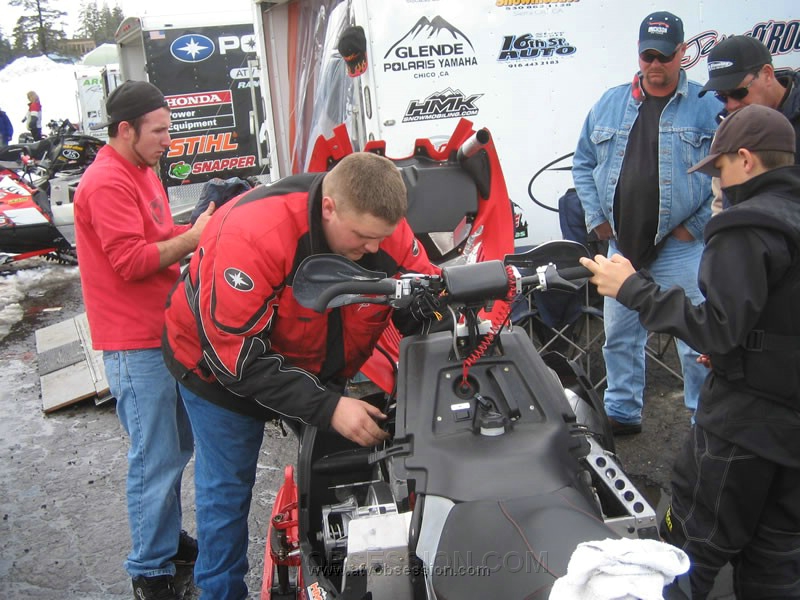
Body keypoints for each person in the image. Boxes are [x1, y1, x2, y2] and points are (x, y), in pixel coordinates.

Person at [162, 151, 442, 598]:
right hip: (216, 370)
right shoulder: (253, 234)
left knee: (344, 467)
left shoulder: (380, 230)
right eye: (363, 237)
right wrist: (328, 407)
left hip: (314, 359)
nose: (374, 249)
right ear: (329, 208)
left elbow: (426, 300)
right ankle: (220, 591)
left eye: (382, 237)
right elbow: (236, 359)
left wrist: (442, 323)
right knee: (227, 490)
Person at [579, 104, 800, 599]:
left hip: (744, 428)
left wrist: (632, 289)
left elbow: (718, 328)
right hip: (789, 429)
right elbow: (773, 321)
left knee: (683, 554)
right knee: (776, 560)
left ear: (746, 159)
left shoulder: (745, 225)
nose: (716, 184)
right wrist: (744, 353)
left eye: (719, 169)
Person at [74, 80, 214, 600]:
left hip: (164, 331)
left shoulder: (142, 170)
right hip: (135, 343)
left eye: (168, 130)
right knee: (154, 455)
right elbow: (131, 261)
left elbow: (155, 237)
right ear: (125, 130)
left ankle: (165, 539)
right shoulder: (106, 182)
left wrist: (196, 229)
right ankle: (149, 568)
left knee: (176, 447)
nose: (167, 141)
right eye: (158, 131)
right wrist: (194, 237)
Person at [572, 11, 720, 435]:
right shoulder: (609, 103)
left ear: (682, 52)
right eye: (647, 56)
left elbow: (725, 174)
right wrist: (597, 218)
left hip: (680, 247)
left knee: (694, 339)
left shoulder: (707, 106)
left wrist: (695, 226)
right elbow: (583, 163)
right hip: (621, 246)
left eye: (664, 56)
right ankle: (621, 413)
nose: (655, 64)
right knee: (619, 336)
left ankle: (705, 421)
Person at [699, 35, 800, 215]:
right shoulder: (726, 127)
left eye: (738, 93)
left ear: (767, 74)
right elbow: (720, 201)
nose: (731, 105)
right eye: (722, 96)